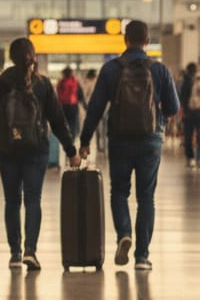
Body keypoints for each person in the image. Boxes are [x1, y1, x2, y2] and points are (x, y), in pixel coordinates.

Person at [78, 20, 180, 271]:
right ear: (147, 41)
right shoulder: (159, 70)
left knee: (119, 191)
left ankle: (124, 233)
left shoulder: (111, 69)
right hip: (150, 140)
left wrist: (84, 141)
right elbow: (174, 108)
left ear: (125, 40)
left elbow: (96, 108)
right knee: (147, 197)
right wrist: (160, 120)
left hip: (120, 139)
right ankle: (142, 257)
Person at [0, 38, 81, 270]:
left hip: (8, 151)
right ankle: (30, 251)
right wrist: (71, 150)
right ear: (33, 57)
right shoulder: (43, 84)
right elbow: (57, 121)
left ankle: (15, 254)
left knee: (12, 201)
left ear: (11, 57)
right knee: (33, 199)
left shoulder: (1, 83)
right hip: (36, 150)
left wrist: (1, 142)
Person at [178, 62, 200, 170]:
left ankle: (189, 159)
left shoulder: (185, 81)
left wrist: (183, 111)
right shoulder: (197, 80)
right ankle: (198, 160)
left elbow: (181, 97)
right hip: (198, 112)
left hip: (189, 113)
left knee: (188, 136)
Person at [57, 66, 83, 139]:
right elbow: (80, 94)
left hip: (63, 105)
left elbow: (58, 94)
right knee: (73, 123)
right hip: (73, 105)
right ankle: (73, 137)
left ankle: (67, 137)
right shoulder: (75, 81)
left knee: (65, 122)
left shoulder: (61, 82)